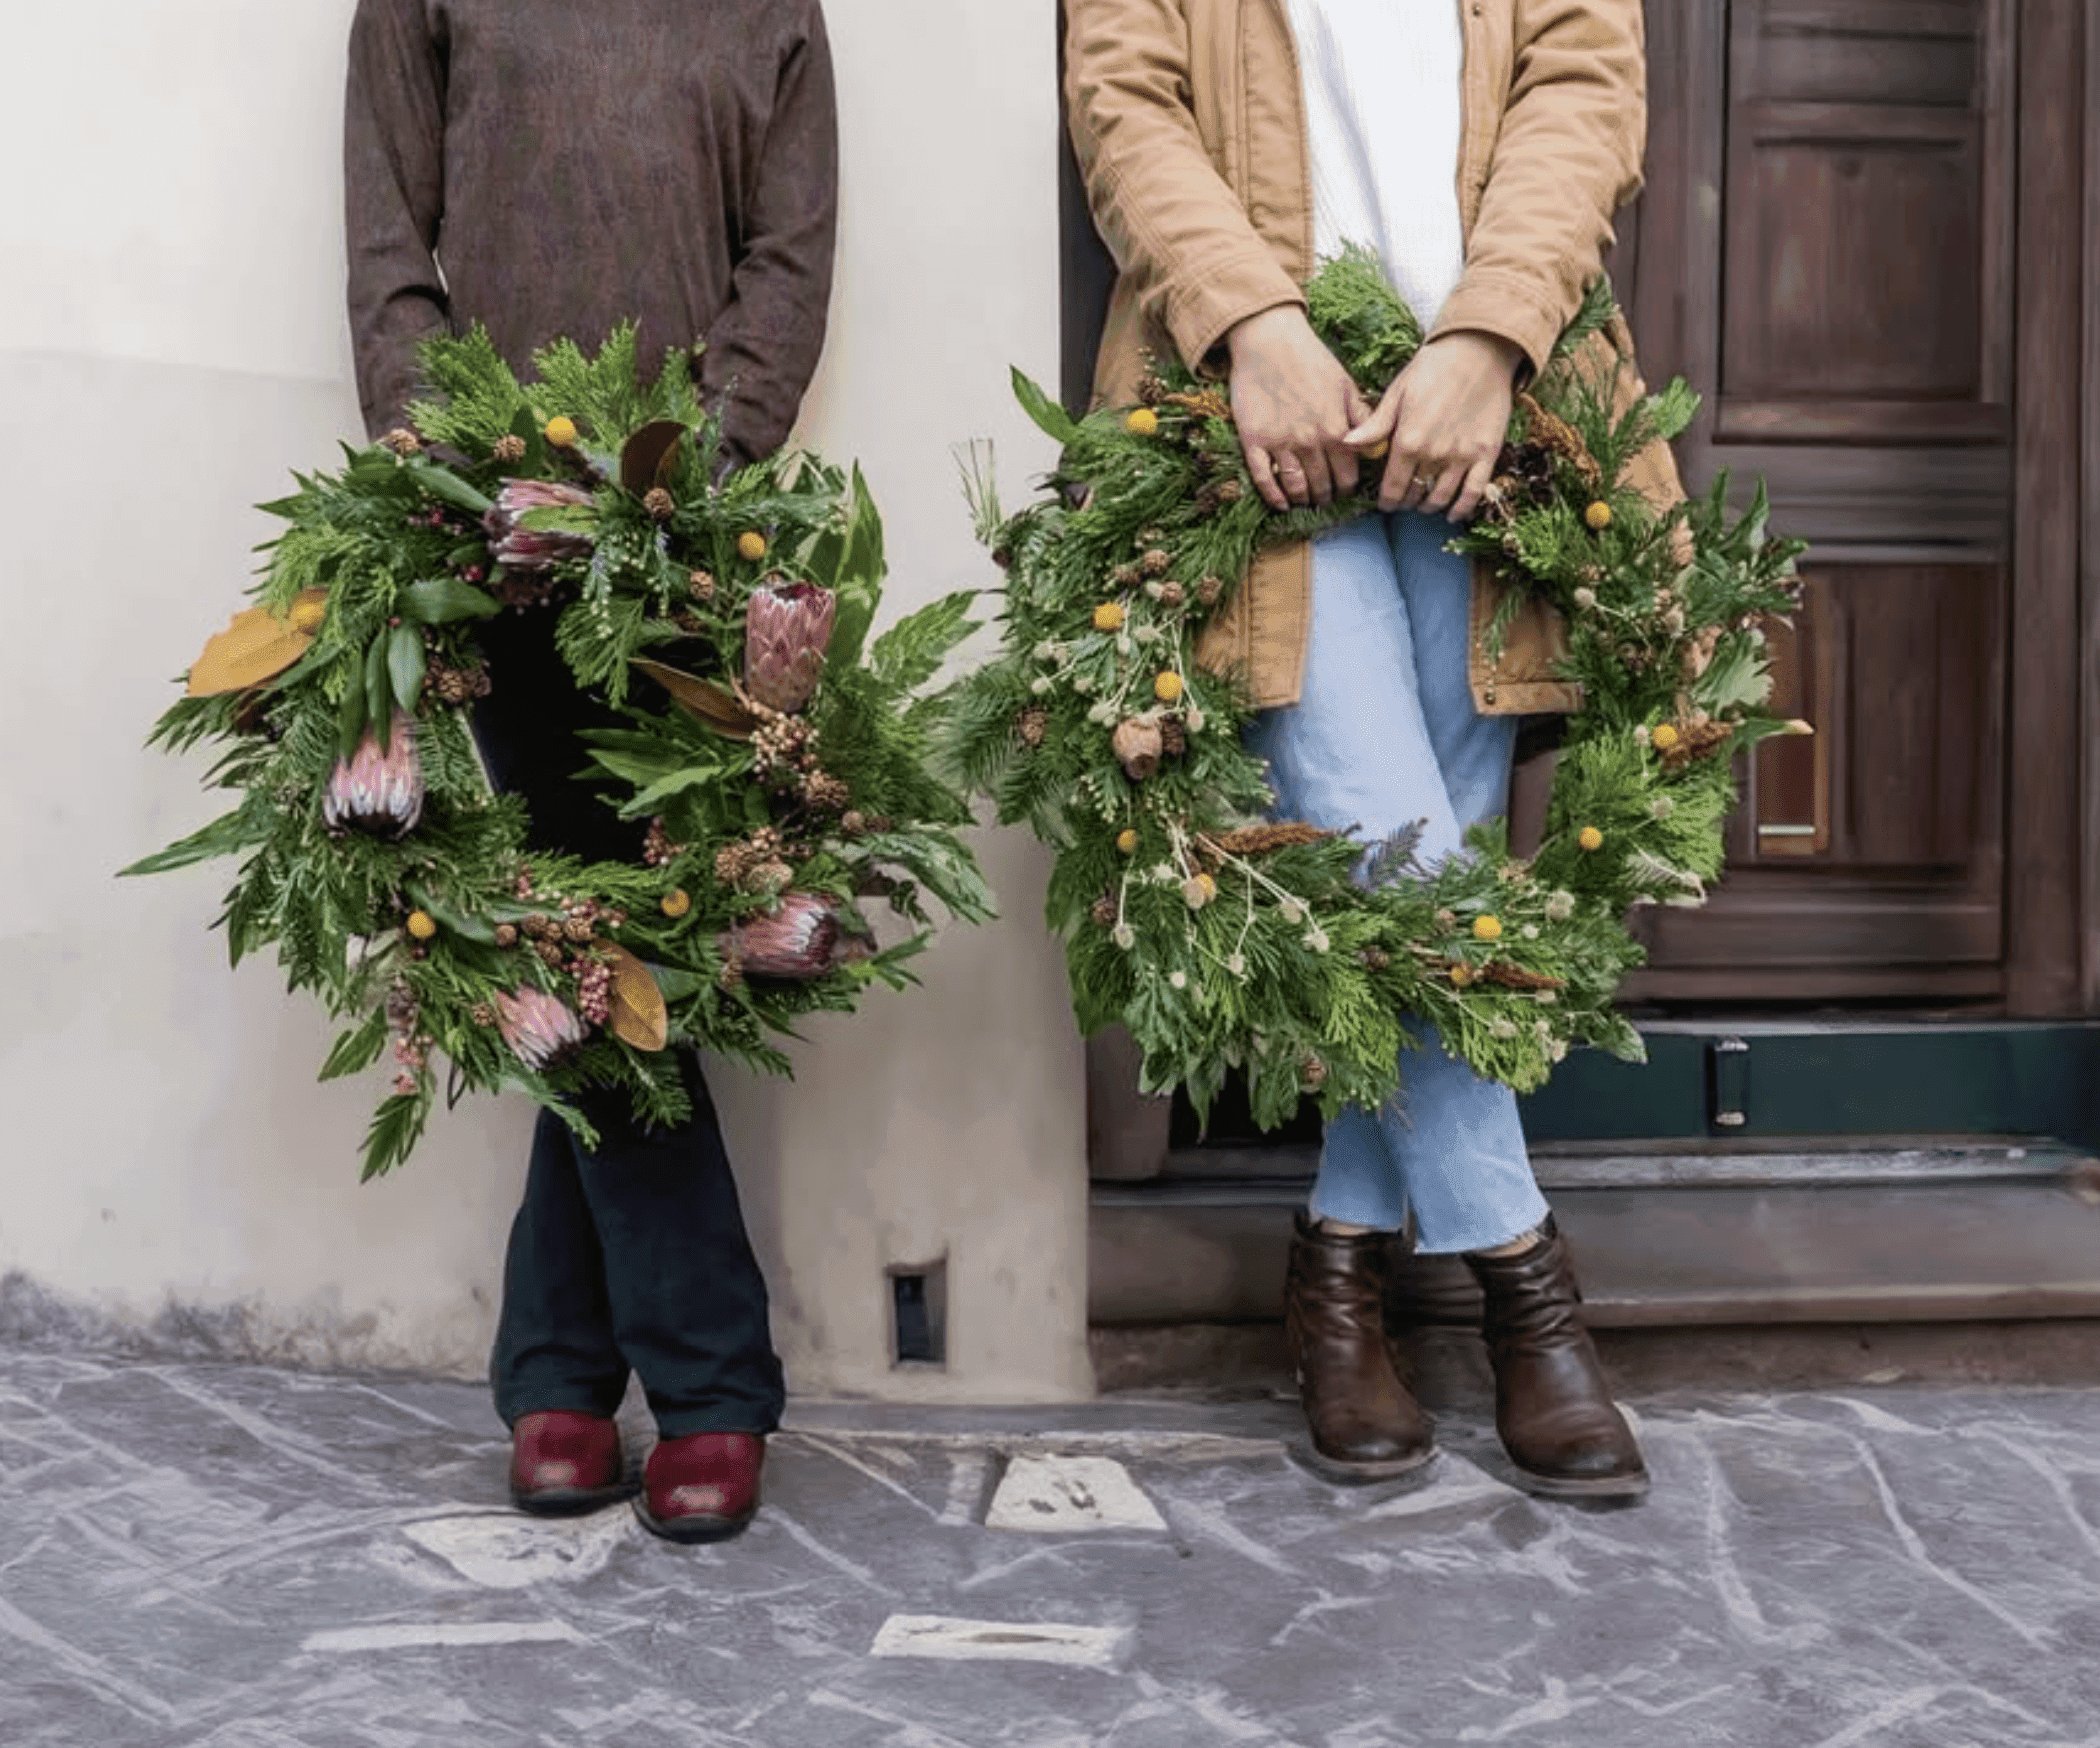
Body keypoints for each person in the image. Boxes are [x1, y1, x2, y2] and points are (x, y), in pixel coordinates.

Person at [1066, 0, 1674, 1499]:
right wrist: (1253, 325)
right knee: (1392, 849)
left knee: (1426, 874)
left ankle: (1340, 1268)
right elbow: (1124, 99)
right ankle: (1529, 1290)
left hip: (1497, 422)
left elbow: (1585, 86)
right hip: (1255, 425)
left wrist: (1488, 334)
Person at [344, 0, 839, 1542]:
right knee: (593, 936)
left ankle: (559, 1365)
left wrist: (682, 475)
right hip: (485, 543)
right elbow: (388, 244)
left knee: (615, 945)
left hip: (688, 549)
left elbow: (791, 253)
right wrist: (478, 469)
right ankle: (702, 1385)